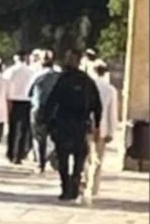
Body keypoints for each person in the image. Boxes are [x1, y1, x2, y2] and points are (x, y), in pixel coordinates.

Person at [42, 49, 102, 201]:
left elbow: (51, 101)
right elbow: (97, 105)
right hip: (78, 124)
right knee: (77, 158)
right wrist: (97, 124)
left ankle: (67, 187)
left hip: (66, 123)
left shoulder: (65, 79)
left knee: (65, 158)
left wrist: (47, 121)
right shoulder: (86, 81)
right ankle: (72, 186)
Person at [83, 60, 118, 202]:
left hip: (86, 126)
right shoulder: (110, 89)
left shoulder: (86, 87)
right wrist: (111, 131)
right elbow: (112, 113)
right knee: (97, 159)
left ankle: (84, 182)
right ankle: (93, 187)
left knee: (84, 158)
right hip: (102, 128)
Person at [29, 50, 61, 173]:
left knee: (39, 137)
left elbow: (29, 91)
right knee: (56, 137)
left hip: (39, 108)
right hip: (56, 109)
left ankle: (40, 163)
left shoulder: (38, 75)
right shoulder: (59, 76)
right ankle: (56, 160)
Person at [3, 50, 35, 164]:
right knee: (22, 129)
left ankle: (10, 152)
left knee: (11, 127)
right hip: (26, 101)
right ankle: (19, 154)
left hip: (12, 100)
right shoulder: (31, 71)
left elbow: (5, 85)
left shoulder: (10, 71)